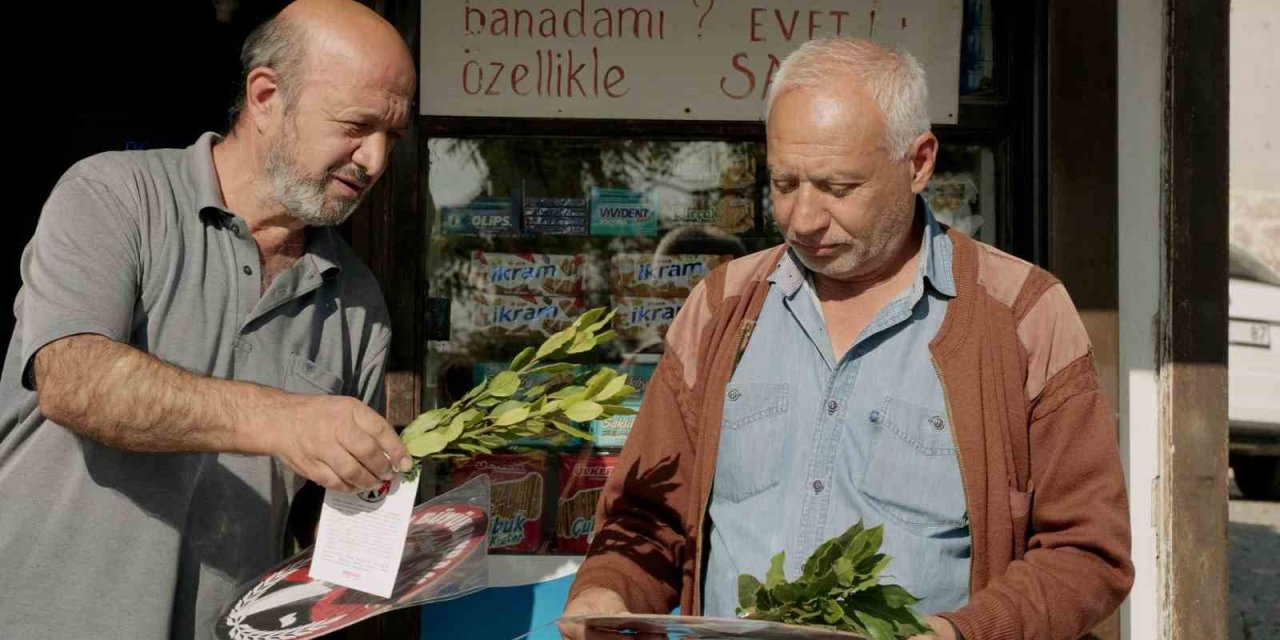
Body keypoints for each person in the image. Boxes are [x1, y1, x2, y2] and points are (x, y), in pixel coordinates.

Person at [561, 37, 1133, 640]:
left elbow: (1088, 554)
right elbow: (645, 518)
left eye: (837, 189)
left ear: (918, 163)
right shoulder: (721, 307)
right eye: (784, 184)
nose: (803, 218)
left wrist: (961, 634)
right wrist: (606, 589)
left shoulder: (1022, 316)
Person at [0, 1, 416, 637]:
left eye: (393, 135)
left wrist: (395, 545)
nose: (376, 159)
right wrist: (283, 418)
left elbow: (322, 529)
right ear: (267, 95)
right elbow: (72, 378)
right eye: (356, 125)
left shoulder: (358, 302)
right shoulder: (116, 196)